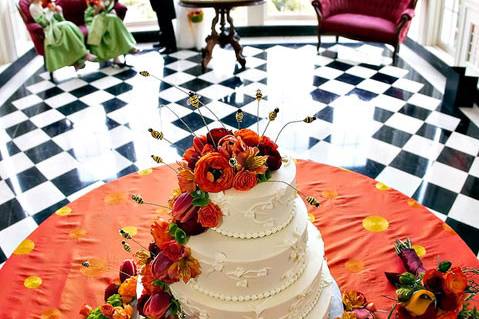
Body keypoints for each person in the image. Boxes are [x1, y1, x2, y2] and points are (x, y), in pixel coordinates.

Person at [29, 0, 96, 71]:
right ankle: (84, 54)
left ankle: (77, 61)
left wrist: (57, 11)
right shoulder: (33, 7)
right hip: (50, 28)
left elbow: (52, 16)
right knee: (65, 26)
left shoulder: (40, 4)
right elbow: (44, 22)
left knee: (69, 26)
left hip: (55, 24)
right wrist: (50, 11)